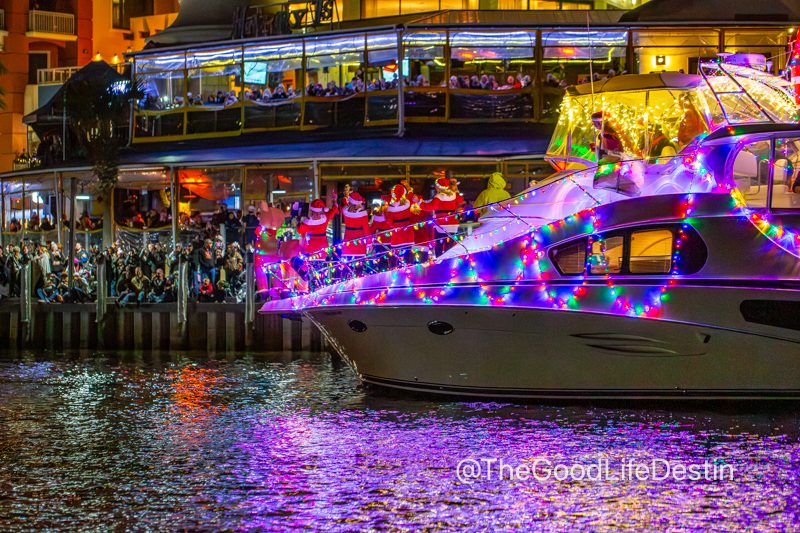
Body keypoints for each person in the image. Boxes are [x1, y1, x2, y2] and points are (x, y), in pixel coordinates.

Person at [384, 184, 416, 262]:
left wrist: (385, 213)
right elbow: (412, 196)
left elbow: (389, 222)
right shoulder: (408, 203)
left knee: (395, 258)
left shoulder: (391, 208)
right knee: (408, 257)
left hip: (397, 235)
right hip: (408, 233)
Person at [340, 192, 372, 258]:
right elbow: (366, 230)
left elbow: (343, 206)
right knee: (358, 265)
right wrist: (369, 243)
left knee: (347, 266)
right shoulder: (362, 214)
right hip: (359, 244)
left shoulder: (345, 211)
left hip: (347, 242)